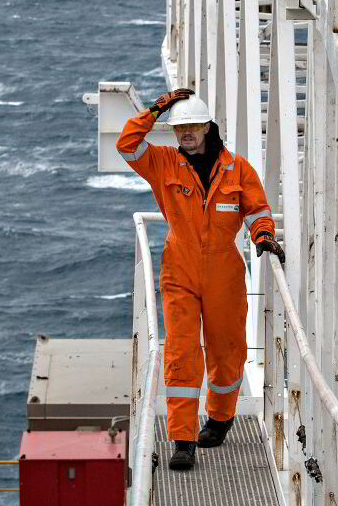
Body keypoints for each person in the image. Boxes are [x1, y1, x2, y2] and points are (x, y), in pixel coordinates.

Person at [117, 87, 284, 471]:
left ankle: (221, 418)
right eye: (179, 128)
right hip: (180, 268)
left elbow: (257, 208)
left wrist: (262, 234)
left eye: (192, 126)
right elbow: (127, 143)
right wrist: (158, 107)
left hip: (225, 270)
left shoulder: (237, 168)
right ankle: (183, 439)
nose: (185, 133)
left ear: (208, 127)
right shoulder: (162, 163)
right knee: (181, 353)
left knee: (227, 350)